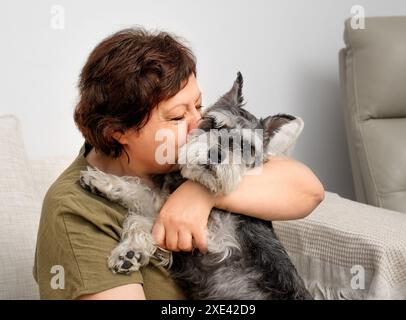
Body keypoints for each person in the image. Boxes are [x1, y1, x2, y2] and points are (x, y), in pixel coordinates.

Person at [33, 27, 325, 300]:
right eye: (175, 117)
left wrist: (200, 194)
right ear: (118, 132)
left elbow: (309, 190)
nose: (199, 125)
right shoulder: (74, 213)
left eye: (198, 106)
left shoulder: (190, 160)